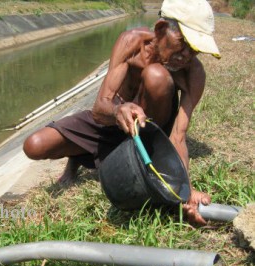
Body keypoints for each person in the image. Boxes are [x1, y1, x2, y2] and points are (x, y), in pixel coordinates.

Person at [23, 0, 221, 225]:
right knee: (35, 144)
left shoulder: (193, 73)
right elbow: (100, 109)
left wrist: (186, 190)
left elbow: (178, 136)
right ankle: (76, 159)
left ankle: (134, 155)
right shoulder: (131, 42)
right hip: (112, 121)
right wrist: (118, 110)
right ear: (160, 29)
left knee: (156, 75)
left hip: (149, 133)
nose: (186, 55)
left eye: (195, 49)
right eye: (182, 43)